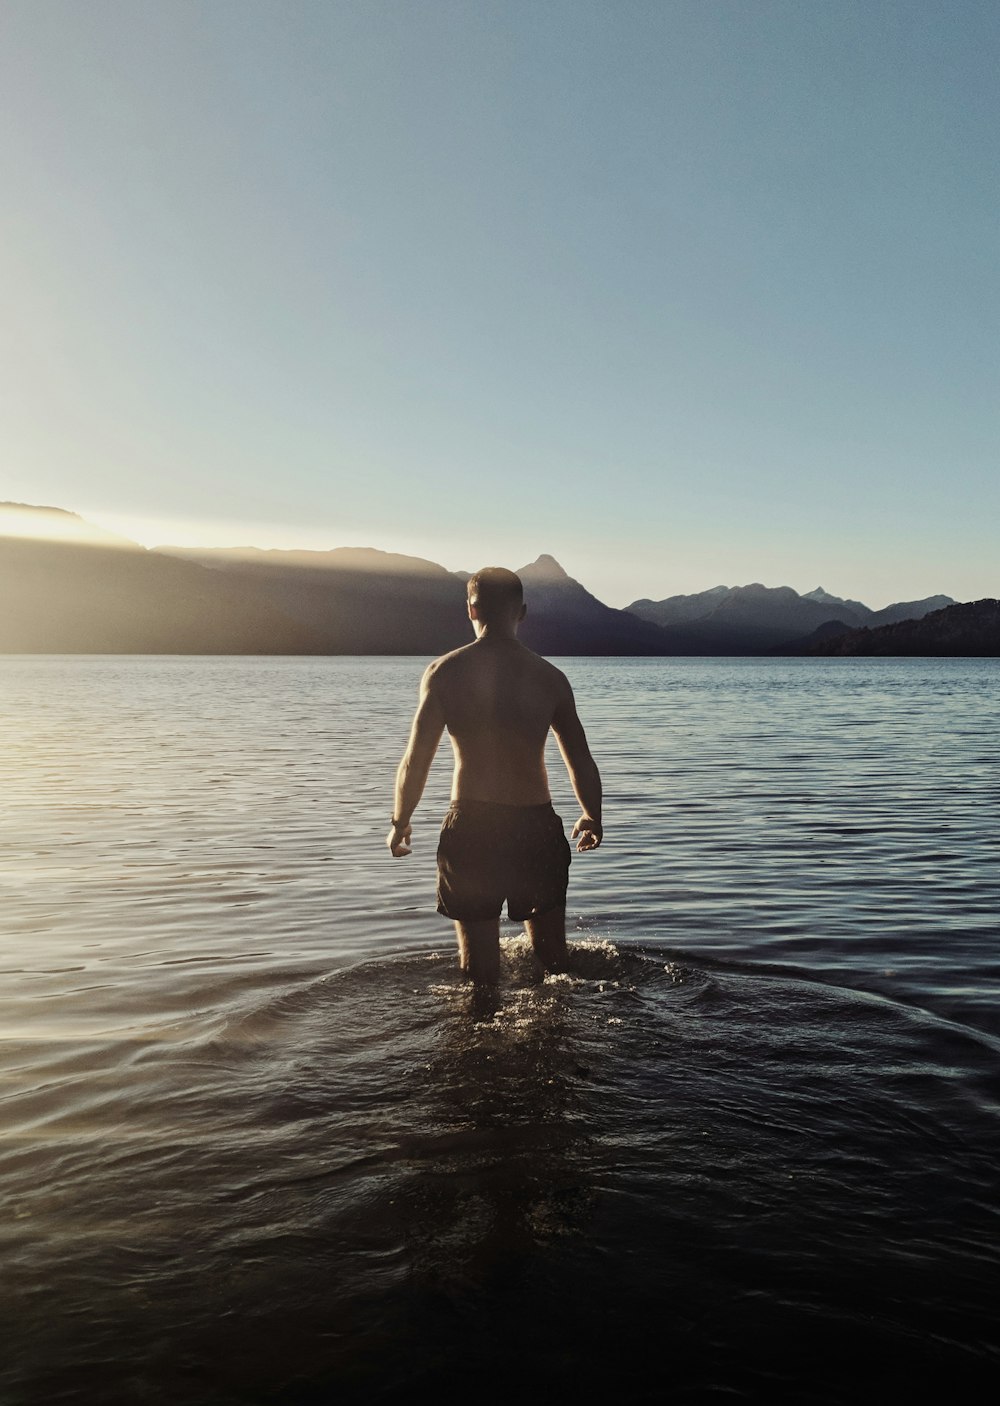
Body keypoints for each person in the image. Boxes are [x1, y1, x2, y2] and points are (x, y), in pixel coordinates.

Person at [387, 566, 603, 985]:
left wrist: (400, 821)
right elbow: (580, 757)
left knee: (479, 971)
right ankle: (555, 1043)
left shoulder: (444, 673)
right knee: (554, 961)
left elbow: (416, 759)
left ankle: (479, 1042)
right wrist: (592, 814)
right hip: (535, 827)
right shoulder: (550, 678)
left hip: (472, 828)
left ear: (471, 609)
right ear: (522, 612)